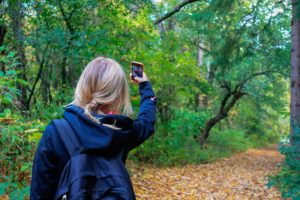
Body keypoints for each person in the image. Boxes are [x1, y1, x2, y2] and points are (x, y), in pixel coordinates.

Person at [30, 57, 156, 199]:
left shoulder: (56, 132)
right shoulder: (122, 132)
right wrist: (145, 85)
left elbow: (40, 193)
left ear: (83, 85)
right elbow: (147, 121)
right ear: (118, 94)